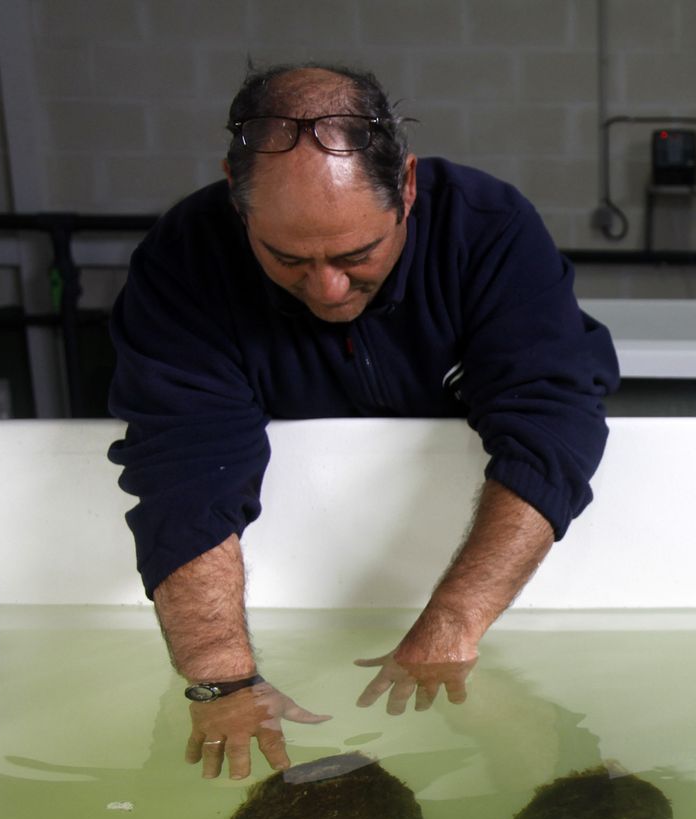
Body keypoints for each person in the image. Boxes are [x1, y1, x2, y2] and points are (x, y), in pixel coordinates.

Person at [106, 63, 619, 781]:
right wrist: (220, 678)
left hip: (466, 573)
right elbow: (185, 468)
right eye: (287, 258)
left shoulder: (487, 228)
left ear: (406, 187)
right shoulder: (184, 261)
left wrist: (455, 621)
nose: (327, 288)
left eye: (356, 255)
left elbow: (550, 425)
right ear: (235, 196)